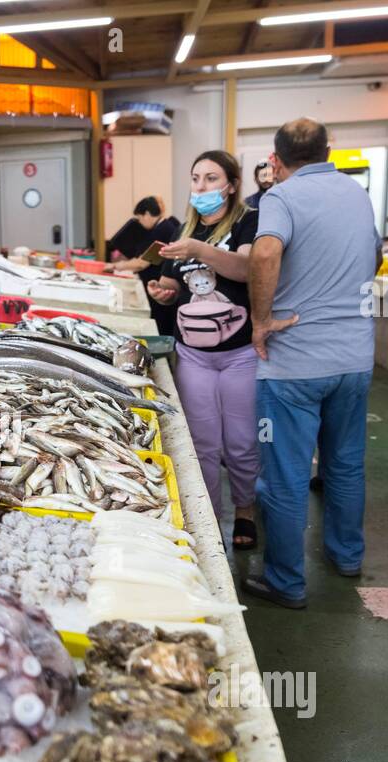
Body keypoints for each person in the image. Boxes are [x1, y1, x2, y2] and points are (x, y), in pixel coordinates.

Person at [241, 118, 381, 609]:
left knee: (286, 474)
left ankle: (286, 582)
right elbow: (373, 256)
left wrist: (261, 320)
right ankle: (347, 556)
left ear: (276, 160)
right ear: (329, 152)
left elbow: (265, 253)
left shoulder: (281, 197)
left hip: (295, 363)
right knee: (345, 464)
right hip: (354, 358)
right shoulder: (357, 194)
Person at [143, 154, 259, 549]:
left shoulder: (248, 222)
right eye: (196, 178)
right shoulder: (183, 229)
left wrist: (199, 249)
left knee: (242, 441)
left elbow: (245, 269)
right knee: (202, 444)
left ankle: (245, 510)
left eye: (211, 178)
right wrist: (163, 292)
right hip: (193, 354)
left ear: (231, 184)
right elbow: (173, 284)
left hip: (240, 353)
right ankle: (209, 520)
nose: (201, 186)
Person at [107, 196, 182, 338]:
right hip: (158, 286)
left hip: (161, 288)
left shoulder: (163, 230)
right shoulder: (161, 228)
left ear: (147, 214)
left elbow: (142, 263)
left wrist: (115, 266)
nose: (140, 223)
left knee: (161, 326)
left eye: (140, 218)